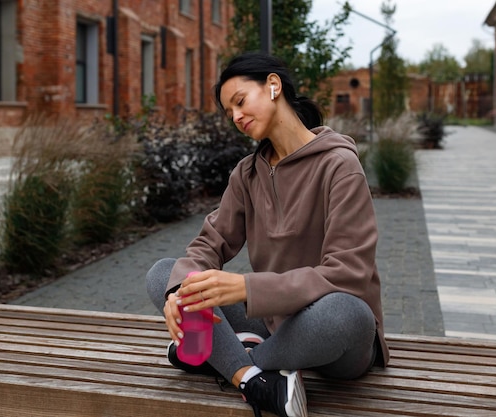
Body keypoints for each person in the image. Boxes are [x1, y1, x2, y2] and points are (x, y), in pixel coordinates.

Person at [146, 52, 389, 417]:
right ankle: (254, 380)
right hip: (274, 325)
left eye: (240, 102)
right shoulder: (248, 174)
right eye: (229, 113)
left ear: (273, 86)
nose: (237, 117)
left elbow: (347, 273)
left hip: (333, 337)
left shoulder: (340, 166)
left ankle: (222, 359)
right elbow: (209, 244)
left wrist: (247, 288)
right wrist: (178, 291)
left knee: (349, 314)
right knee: (165, 273)